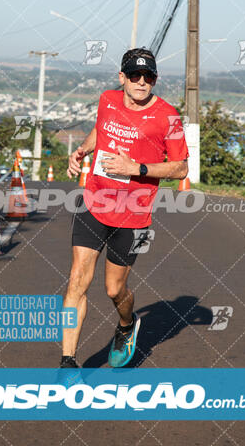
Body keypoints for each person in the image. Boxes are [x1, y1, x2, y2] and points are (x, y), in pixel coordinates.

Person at [61, 48, 189, 369]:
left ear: (155, 80)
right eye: (134, 75)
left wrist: (137, 168)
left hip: (133, 213)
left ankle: (126, 324)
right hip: (95, 200)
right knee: (77, 279)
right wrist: (81, 150)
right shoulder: (107, 99)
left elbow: (180, 169)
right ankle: (67, 362)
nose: (142, 82)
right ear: (122, 77)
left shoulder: (169, 117)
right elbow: (100, 130)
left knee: (114, 289)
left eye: (149, 77)